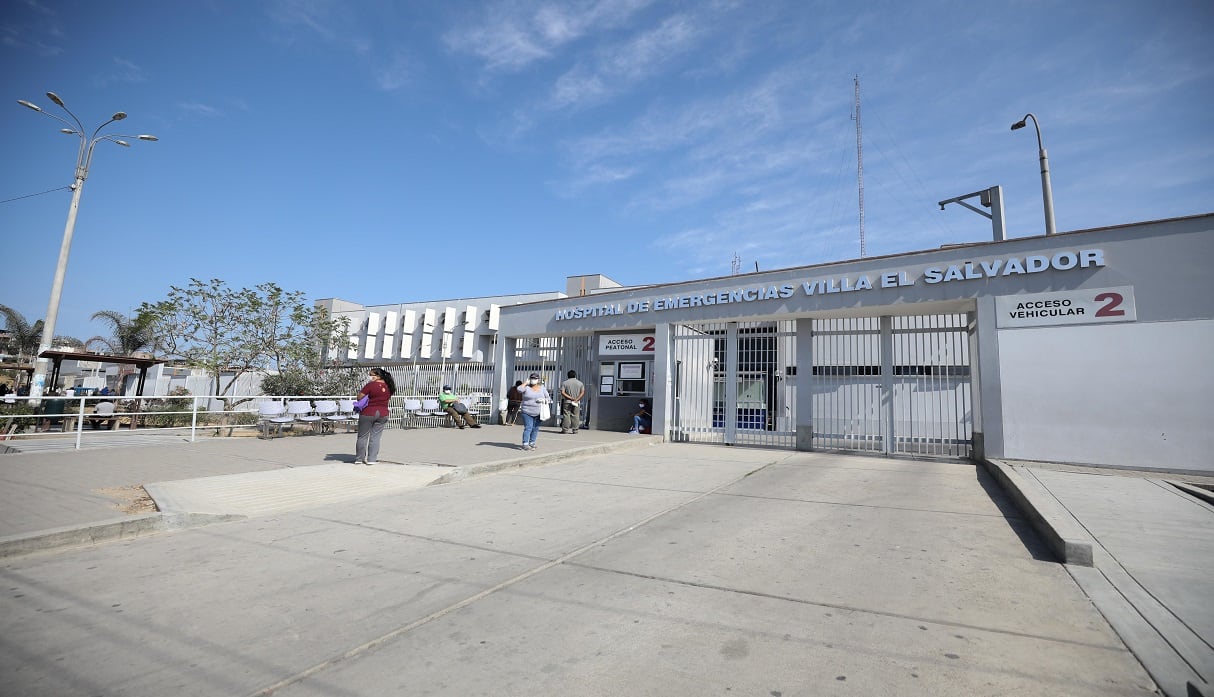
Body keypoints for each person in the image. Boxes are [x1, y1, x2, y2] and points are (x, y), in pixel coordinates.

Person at [355, 367, 395, 465]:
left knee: (362, 436)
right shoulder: (389, 386)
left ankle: (359, 459)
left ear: (378, 376)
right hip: (383, 414)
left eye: (371, 375)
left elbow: (359, 397)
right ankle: (372, 459)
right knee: (376, 437)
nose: (369, 377)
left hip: (368, 412)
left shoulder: (370, 385)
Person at [516, 372, 551, 451]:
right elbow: (519, 389)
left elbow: (548, 398)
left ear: (538, 380)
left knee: (535, 428)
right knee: (528, 427)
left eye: (535, 378)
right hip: (527, 411)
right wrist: (525, 383)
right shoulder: (526, 388)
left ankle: (532, 442)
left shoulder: (542, 388)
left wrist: (544, 400)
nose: (533, 380)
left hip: (539, 412)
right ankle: (525, 444)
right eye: (532, 378)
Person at [559, 369, 585, 434]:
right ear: (575, 375)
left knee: (566, 415)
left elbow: (562, 392)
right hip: (576, 402)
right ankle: (575, 430)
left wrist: (571, 398)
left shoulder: (565, 383)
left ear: (568, 376)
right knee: (575, 415)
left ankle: (565, 430)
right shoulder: (580, 383)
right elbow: (582, 392)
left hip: (567, 402)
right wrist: (576, 399)